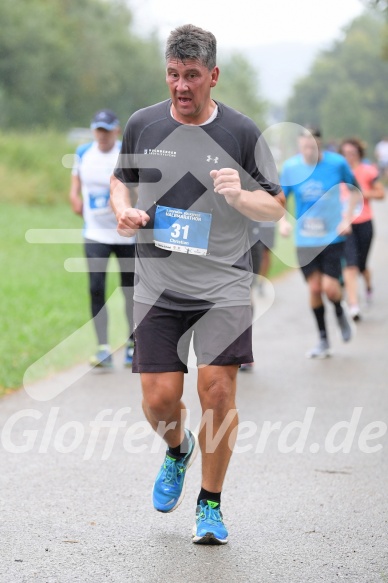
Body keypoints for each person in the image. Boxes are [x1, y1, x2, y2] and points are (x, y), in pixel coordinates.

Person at [110, 24, 284, 544]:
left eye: (191, 76)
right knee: (160, 400)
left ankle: (210, 504)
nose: (180, 86)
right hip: (158, 284)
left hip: (224, 286)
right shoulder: (143, 124)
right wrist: (124, 211)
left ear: (213, 76)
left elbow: (274, 206)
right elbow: (122, 179)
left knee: (217, 391)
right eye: (172, 75)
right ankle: (177, 449)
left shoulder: (242, 133)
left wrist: (239, 196)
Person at [279, 128, 359, 359]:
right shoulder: (291, 168)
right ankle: (323, 338)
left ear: (320, 145)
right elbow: (282, 198)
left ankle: (339, 310)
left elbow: (355, 190)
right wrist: (283, 221)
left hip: (332, 236)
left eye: (313, 147)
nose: (309, 152)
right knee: (314, 288)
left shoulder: (337, 163)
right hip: (305, 239)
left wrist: (347, 218)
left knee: (330, 288)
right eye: (305, 147)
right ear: (299, 145)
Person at [69, 109, 136, 368]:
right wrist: (74, 197)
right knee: (96, 288)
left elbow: (137, 187)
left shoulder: (125, 154)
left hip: (125, 235)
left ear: (116, 130)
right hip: (95, 233)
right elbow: (76, 181)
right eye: (98, 130)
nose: (102, 135)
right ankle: (102, 347)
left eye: (107, 130)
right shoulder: (83, 152)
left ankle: (132, 344)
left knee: (130, 292)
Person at [339, 138, 385, 320]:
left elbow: (381, 193)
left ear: (359, 153)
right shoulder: (339, 171)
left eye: (353, 153)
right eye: (346, 154)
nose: (349, 157)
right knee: (350, 265)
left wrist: (363, 193)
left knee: (361, 265)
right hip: (345, 223)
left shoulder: (367, 171)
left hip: (365, 222)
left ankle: (368, 285)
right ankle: (353, 305)